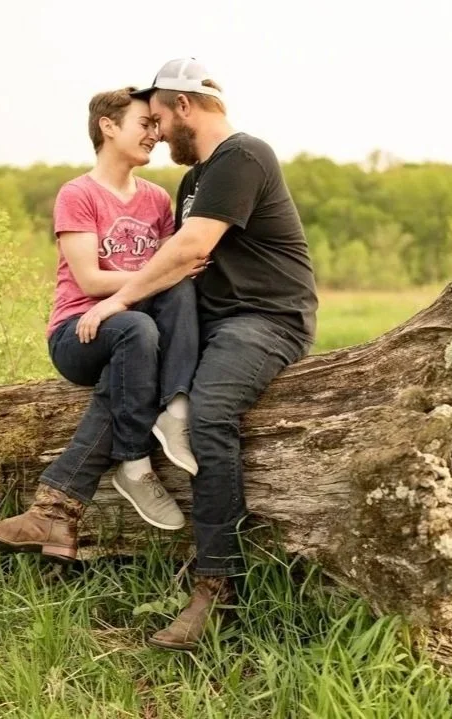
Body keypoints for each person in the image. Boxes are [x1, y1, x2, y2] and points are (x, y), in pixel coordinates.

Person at [78, 58, 319, 650]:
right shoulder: (193, 181)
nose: (156, 130)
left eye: (158, 114)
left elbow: (189, 250)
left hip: (264, 319)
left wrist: (117, 301)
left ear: (184, 105)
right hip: (211, 324)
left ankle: (217, 586)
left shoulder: (243, 155)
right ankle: (56, 508)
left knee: (210, 416)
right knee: (130, 369)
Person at [0, 87, 206, 558]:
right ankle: (134, 459)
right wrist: (146, 283)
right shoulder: (79, 194)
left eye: (157, 127)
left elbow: (175, 273)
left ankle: (55, 515)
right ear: (107, 127)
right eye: (143, 124)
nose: (154, 135)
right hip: (81, 332)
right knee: (138, 328)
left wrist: (164, 279)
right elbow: (91, 279)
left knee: (165, 307)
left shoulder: (156, 200)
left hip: (137, 340)